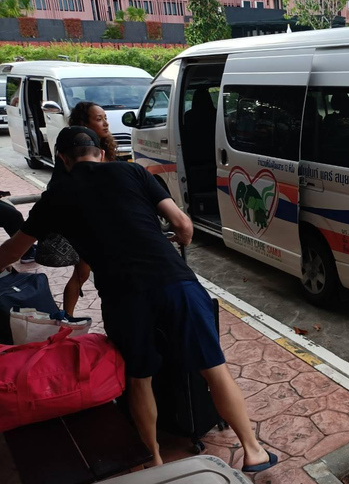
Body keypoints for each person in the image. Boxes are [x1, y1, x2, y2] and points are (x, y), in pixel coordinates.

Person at [0, 127, 277, 472]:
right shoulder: (132, 171)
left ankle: (156, 461)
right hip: (174, 282)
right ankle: (253, 451)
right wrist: (174, 236)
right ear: (100, 153)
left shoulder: (55, 196)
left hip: (122, 296)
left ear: (63, 159)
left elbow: (14, 250)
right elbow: (183, 226)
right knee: (213, 368)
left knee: (139, 378)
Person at [59, 102, 118, 315]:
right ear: (84, 123)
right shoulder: (72, 153)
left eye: (105, 118)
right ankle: (67, 317)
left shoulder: (106, 147)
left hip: (112, 220)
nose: (106, 123)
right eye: (99, 119)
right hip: (90, 222)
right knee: (82, 273)